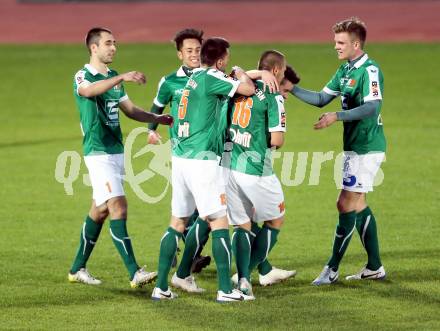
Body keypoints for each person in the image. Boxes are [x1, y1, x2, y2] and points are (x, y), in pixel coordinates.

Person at [152, 37, 256, 302]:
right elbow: (248, 90)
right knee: (220, 222)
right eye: (227, 59)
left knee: (177, 222)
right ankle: (224, 290)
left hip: (180, 158)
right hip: (203, 160)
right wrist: (242, 73)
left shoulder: (190, 79)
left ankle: (161, 287)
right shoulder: (212, 77)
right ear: (220, 61)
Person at [68, 27, 173, 288]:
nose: (113, 47)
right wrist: (122, 77)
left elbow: (130, 110)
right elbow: (89, 92)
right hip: (98, 152)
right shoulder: (83, 75)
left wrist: (156, 118)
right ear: (94, 48)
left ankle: (77, 269)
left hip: (116, 151)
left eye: (114, 43)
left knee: (100, 210)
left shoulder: (113, 77)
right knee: (118, 205)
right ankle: (134, 272)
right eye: (108, 43)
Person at [289, 17, 386, 285]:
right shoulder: (344, 71)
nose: (336, 47)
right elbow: (321, 99)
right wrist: (292, 88)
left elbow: (373, 107)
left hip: (367, 147)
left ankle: (331, 269)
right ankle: (375, 267)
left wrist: (337, 116)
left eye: (341, 42)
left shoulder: (369, 70)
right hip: (355, 148)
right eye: (336, 42)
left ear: (356, 44)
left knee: (345, 203)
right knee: (358, 203)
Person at [230, 63, 301, 291]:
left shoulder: (241, 86)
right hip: (257, 169)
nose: (286, 96)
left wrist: (258, 72)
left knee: (244, 224)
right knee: (275, 220)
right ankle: (244, 276)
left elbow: (230, 73)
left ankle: (265, 270)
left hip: (230, 164)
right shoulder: (273, 97)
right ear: (277, 71)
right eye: (286, 90)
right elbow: (277, 141)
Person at [147, 28, 211, 274]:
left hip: (208, 153)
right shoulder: (170, 81)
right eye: (189, 50)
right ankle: (188, 255)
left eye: (198, 50)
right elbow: (157, 107)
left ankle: (182, 251)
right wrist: (151, 130)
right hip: (183, 154)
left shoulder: (211, 76)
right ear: (179, 54)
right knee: (196, 210)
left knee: (197, 211)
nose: (194, 54)